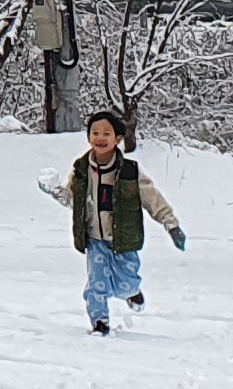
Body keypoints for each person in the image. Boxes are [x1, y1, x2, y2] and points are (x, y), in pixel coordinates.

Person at [41, 110, 184, 333]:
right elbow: (73, 199)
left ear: (117, 139)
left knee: (126, 283)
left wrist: (171, 224)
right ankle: (100, 322)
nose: (100, 138)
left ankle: (131, 293)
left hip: (124, 237)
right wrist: (55, 191)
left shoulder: (130, 171)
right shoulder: (81, 169)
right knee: (96, 283)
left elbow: (152, 199)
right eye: (95, 132)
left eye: (106, 133)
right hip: (94, 239)